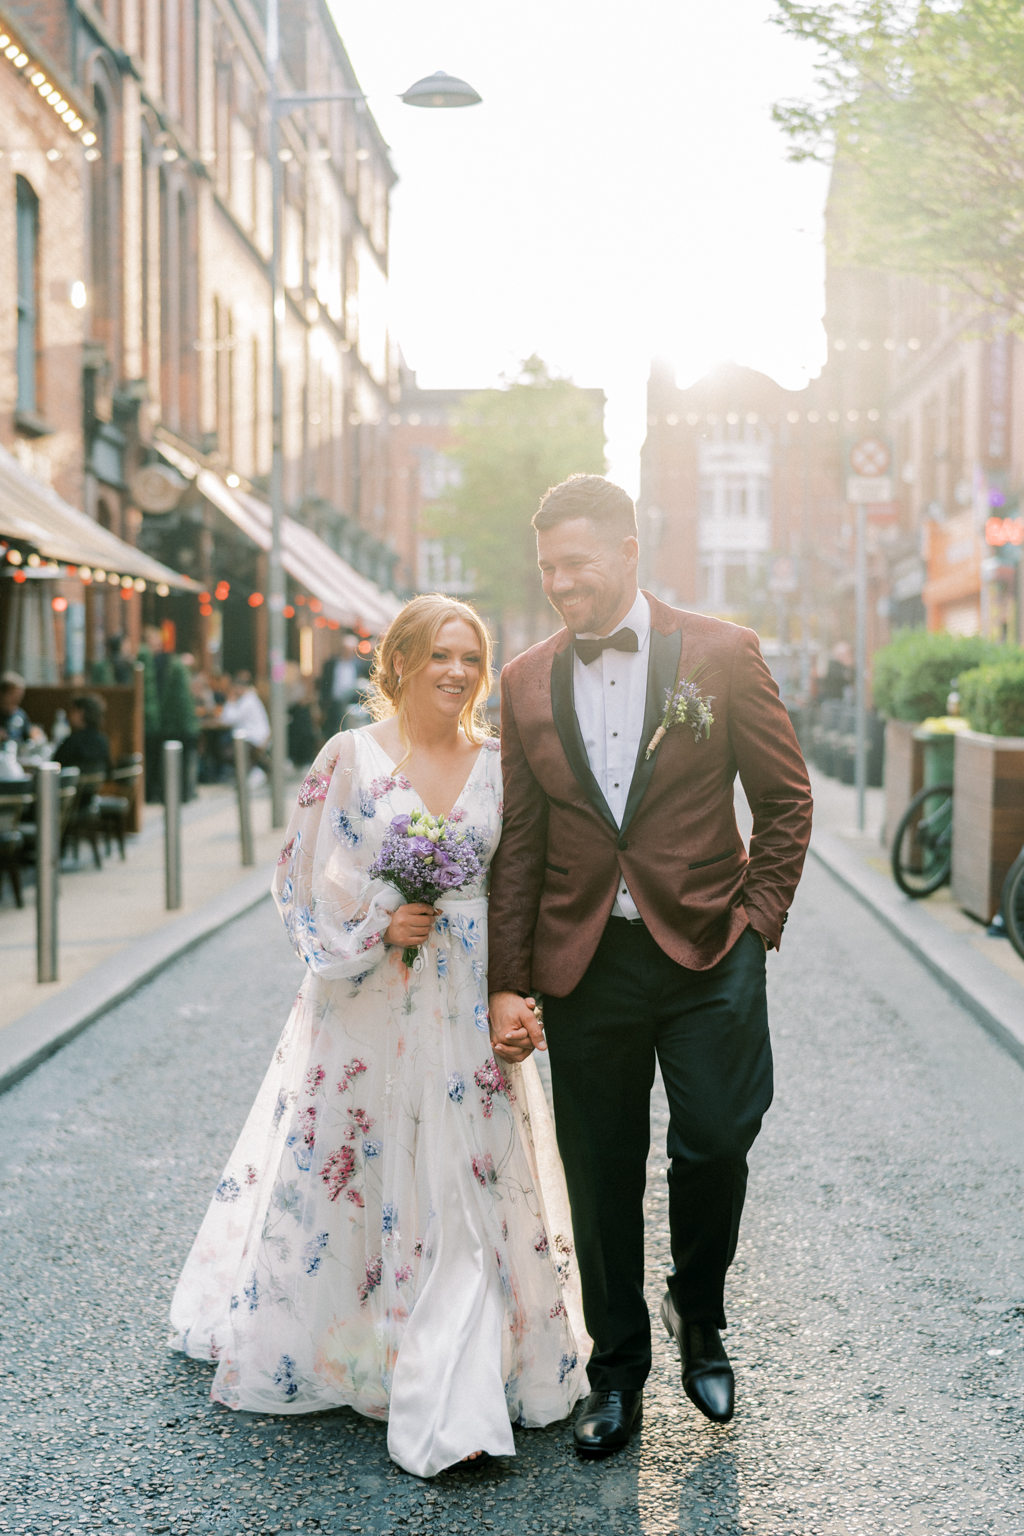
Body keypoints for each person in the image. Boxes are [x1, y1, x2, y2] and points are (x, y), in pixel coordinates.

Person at [170, 594, 589, 1477]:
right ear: (396, 662)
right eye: (439, 655)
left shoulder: (501, 765)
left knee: (467, 1178)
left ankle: (459, 1383)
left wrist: (518, 989)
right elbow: (300, 880)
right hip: (367, 1003)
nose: (456, 672)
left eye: (470, 658)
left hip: (470, 993)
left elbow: (525, 884)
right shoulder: (349, 757)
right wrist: (374, 926)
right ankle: (361, 1345)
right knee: (360, 1166)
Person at [487, 474, 813, 1457]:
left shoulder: (719, 653)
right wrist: (507, 977)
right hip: (587, 960)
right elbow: (520, 837)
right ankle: (615, 1371)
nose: (560, 584)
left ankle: (697, 1311)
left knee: (716, 1137)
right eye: (548, 568)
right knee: (598, 1171)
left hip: (712, 946)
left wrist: (758, 918)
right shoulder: (525, 681)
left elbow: (785, 798)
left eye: (577, 564)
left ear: (630, 552)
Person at [137, 626, 199, 802]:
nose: (157, 645)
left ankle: (174, 794)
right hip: (162, 723)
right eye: (153, 641)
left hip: (164, 724)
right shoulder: (157, 663)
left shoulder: (165, 663)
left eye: (158, 641)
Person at [220, 671, 271, 776]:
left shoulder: (248, 700)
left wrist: (230, 700)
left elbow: (228, 719)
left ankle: (254, 772)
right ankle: (250, 772)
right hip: (250, 738)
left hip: (254, 739)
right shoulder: (247, 699)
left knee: (226, 751)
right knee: (224, 745)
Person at [54, 695, 112, 777]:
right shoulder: (103, 740)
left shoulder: (72, 741)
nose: (69, 715)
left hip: (70, 788)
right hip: (95, 788)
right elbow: (108, 769)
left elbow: (55, 765)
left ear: (81, 713)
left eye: (73, 711)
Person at [0, 671, 42, 745]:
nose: (17, 700)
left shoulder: (20, 714)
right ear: (3, 693)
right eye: (13, 695)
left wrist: (35, 734)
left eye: (19, 696)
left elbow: (30, 732)